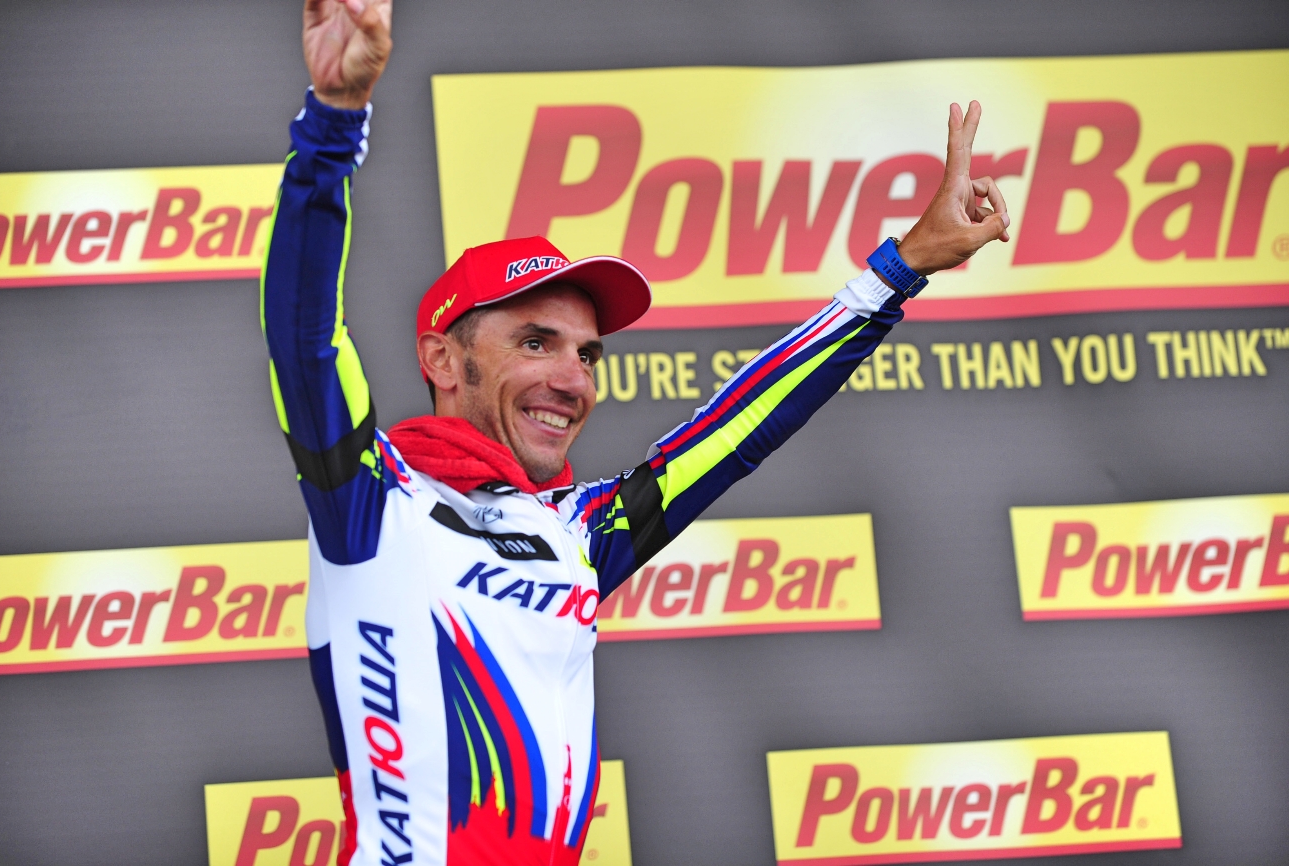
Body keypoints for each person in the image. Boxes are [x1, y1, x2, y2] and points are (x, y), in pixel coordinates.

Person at [263, 1, 1010, 864]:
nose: (571, 379)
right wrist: (334, 122)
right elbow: (303, 340)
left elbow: (740, 429)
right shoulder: (367, 499)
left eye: (587, 353)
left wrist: (903, 266)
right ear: (441, 356)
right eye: (534, 342)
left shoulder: (578, 532)